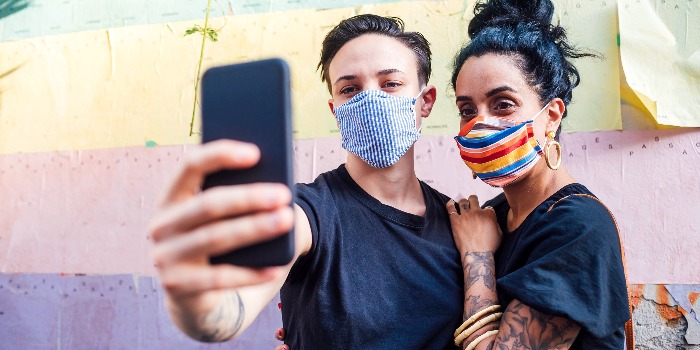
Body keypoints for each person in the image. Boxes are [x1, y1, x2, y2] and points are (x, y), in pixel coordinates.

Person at [148, 14, 465, 349]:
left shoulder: (458, 222)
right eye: (350, 89)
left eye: (391, 84)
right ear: (336, 109)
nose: (370, 100)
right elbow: (224, 316)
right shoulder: (307, 213)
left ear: (425, 101)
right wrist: (191, 292)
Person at [446, 0, 632, 349]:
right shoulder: (495, 212)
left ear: (552, 116)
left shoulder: (578, 228)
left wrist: (477, 256)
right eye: (466, 109)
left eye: (503, 103)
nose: (479, 123)